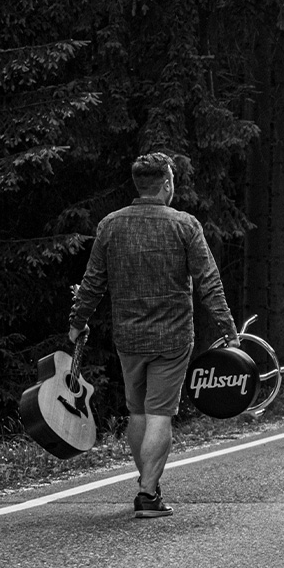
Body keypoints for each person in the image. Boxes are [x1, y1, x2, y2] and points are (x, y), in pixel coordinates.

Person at [70, 152, 238, 518]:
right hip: (173, 338)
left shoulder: (110, 225)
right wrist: (229, 331)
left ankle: (149, 485)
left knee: (137, 411)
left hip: (128, 336)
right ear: (166, 184)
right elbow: (209, 282)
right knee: (160, 413)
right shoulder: (185, 225)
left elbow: (92, 282)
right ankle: (147, 494)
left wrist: (77, 321)